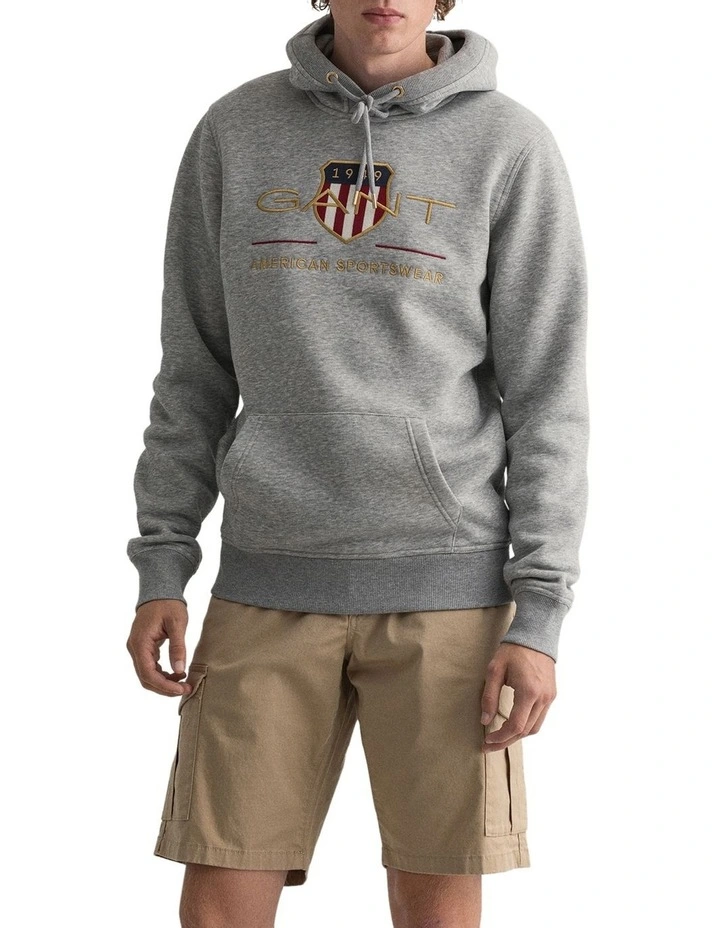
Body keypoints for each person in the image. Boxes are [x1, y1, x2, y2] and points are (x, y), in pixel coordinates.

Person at [125, 1, 589, 925]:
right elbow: (194, 366)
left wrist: (539, 614)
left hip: (448, 592)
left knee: (436, 907)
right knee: (219, 903)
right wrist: (163, 560)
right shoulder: (234, 131)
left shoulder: (509, 144)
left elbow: (548, 392)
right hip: (266, 579)